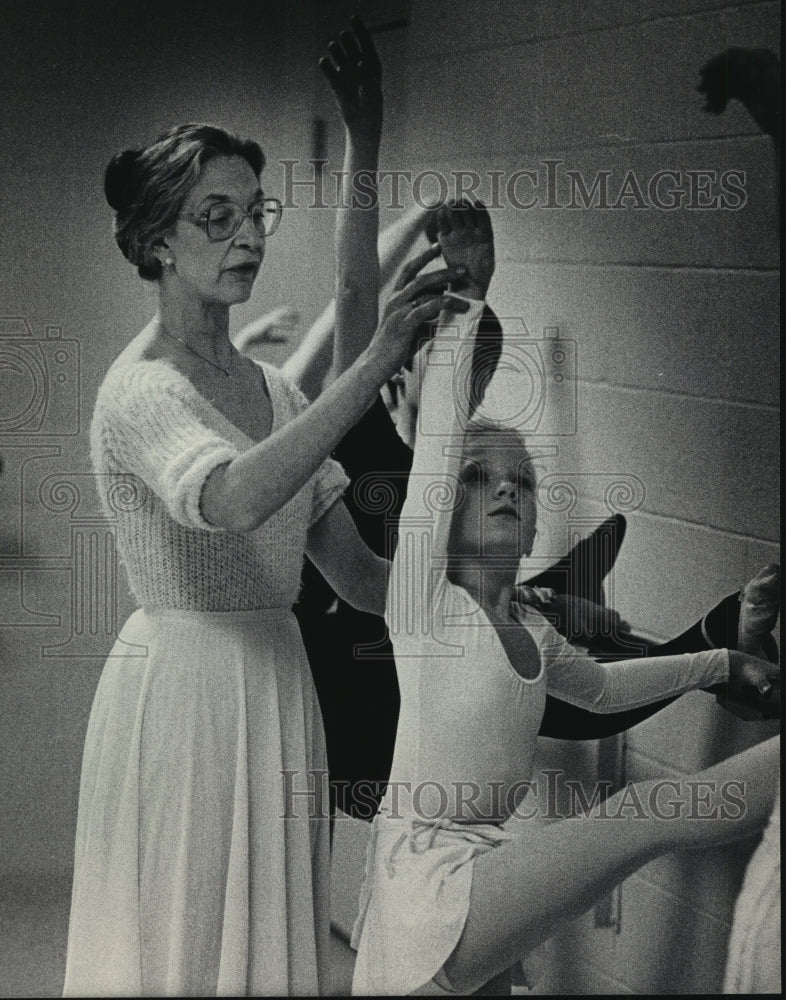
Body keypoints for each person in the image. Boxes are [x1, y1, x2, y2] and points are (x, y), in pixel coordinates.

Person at [62, 19, 470, 996]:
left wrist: (477, 588)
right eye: (217, 216)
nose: (248, 234)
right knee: (182, 943)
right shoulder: (141, 392)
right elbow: (238, 497)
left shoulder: (275, 395)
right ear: (157, 242)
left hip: (278, 693)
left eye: (257, 211)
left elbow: (365, 584)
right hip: (184, 695)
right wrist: (375, 363)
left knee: (263, 957)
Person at [349, 203, 780, 996]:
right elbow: (440, 439)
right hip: (430, 880)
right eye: (480, 480)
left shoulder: (534, 632)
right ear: (443, 506)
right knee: (646, 816)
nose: (506, 491)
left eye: (521, 482)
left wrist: (718, 660)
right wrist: (471, 296)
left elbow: (609, 689)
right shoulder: (423, 604)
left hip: (483, 872)